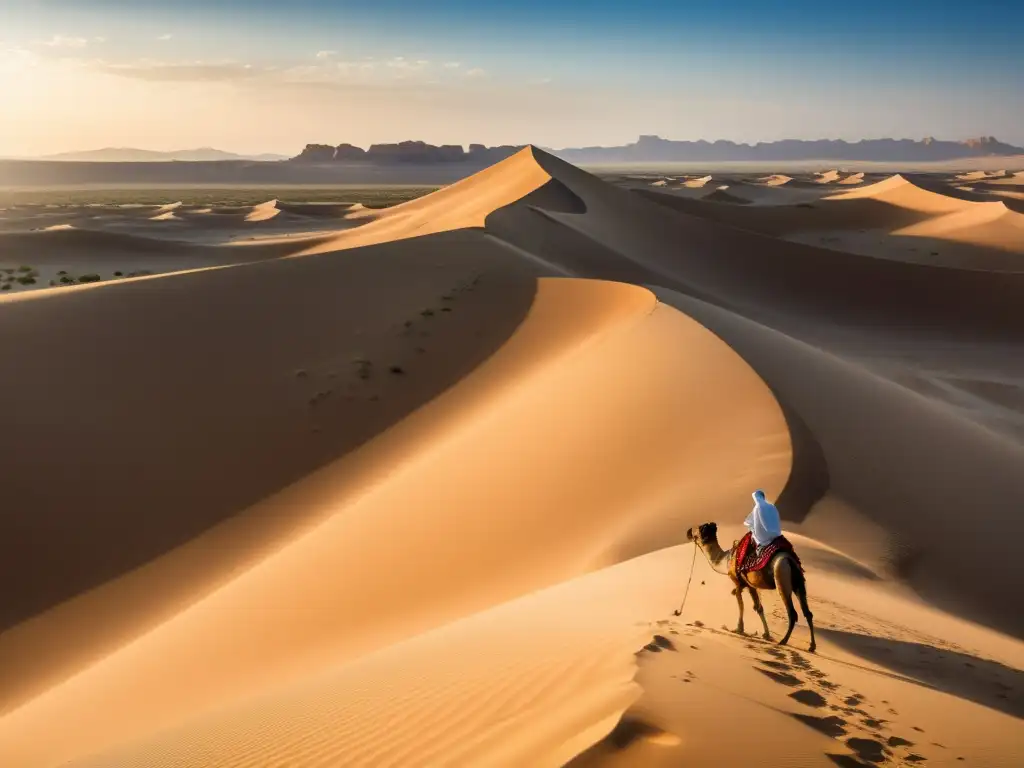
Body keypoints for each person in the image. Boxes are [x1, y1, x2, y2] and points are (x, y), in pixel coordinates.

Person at [744, 489, 782, 556]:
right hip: (777, 535)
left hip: (764, 539)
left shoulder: (757, 508)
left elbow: (755, 523)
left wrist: (749, 526)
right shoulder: (772, 506)